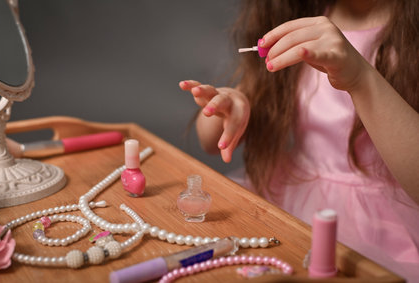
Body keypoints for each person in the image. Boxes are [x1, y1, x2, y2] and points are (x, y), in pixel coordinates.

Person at [179, 0, 419, 281]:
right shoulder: (304, 16)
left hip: (386, 228)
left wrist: (360, 78)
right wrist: (224, 108)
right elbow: (210, 142)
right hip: (291, 199)